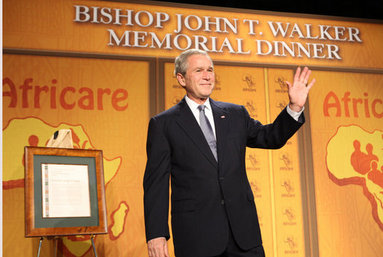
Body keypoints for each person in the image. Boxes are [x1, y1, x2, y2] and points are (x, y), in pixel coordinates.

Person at [143, 49, 315, 257]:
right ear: (181, 78)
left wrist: (294, 107)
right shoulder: (164, 124)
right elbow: (156, 184)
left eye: (210, 70)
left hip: (244, 236)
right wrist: (156, 234)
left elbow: (270, 138)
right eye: (199, 70)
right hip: (197, 238)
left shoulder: (235, 114)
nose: (207, 76)